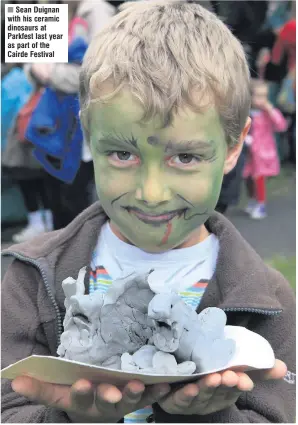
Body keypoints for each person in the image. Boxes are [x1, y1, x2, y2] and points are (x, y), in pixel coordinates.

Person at [2, 1, 295, 423]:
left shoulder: (267, 302)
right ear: (89, 134)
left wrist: (203, 416)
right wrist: (74, 418)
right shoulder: (33, 278)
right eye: (122, 153)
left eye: (186, 158)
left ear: (233, 146)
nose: (152, 193)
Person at [243, 79, 287, 219]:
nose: (262, 99)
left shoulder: (267, 113)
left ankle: (261, 205)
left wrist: (271, 110)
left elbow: (281, 125)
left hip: (262, 153)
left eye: (265, 96)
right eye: (259, 95)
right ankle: (252, 200)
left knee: (259, 177)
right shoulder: (246, 113)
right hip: (248, 153)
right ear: (249, 96)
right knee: (247, 178)